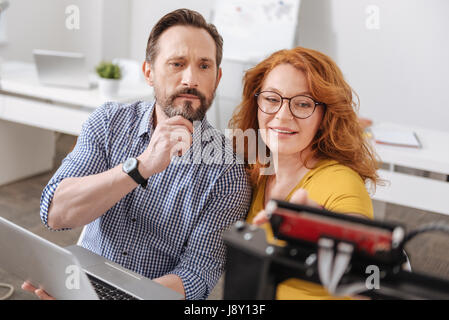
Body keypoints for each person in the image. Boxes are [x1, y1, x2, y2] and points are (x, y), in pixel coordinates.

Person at [22, 8, 252, 300]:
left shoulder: (227, 172)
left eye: (204, 66)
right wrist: (139, 167)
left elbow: (197, 277)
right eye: (177, 63)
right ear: (149, 72)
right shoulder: (109, 122)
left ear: (217, 78)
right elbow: (54, 213)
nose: (190, 79)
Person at [229, 46, 380, 300]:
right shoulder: (256, 170)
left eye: (302, 104)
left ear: (325, 116)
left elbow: (366, 275)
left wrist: (321, 229)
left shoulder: (341, 182)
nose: (282, 115)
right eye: (271, 99)